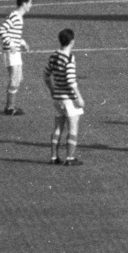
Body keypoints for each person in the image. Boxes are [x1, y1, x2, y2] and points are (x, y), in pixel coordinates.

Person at [46, 28, 85, 166]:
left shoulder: (54, 56)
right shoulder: (69, 58)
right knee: (73, 127)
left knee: (58, 127)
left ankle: (53, 157)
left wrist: (52, 89)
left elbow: (46, 75)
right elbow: (70, 80)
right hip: (68, 98)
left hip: (57, 98)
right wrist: (78, 97)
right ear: (72, 42)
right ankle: (70, 158)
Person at [0, 0, 33, 115]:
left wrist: (22, 42)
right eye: (29, 3)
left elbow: (13, 33)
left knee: (18, 79)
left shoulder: (19, 17)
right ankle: (10, 108)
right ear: (24, 4)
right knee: (15, 79)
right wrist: (11, 44)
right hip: (10, 51)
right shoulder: (15, 16)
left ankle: (10, 106)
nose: (31, 6)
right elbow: (2, 29)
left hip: (16, 51)